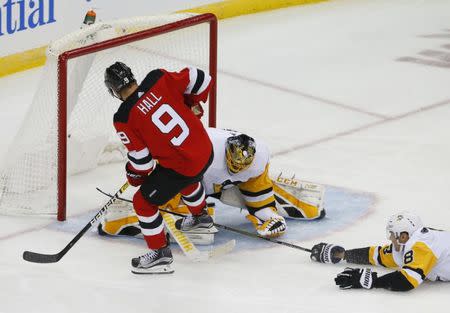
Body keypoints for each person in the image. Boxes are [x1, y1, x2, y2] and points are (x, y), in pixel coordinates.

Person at [98, 127, 325, 241]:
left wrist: (272, 218)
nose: (237, 169)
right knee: (192, 227)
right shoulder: (204, 149)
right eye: (233, 164)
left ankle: (286, 197)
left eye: (242, 167)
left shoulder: (258, 160)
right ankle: (125, 216)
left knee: (280, 206)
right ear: (226, 153)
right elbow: (172, 170)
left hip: (218, 185)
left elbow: (257, 194)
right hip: (187, 179)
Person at [104, 61, 214, 274]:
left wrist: (133, 173)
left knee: (142, 202)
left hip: (184, 165)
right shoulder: (158, 78)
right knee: (184, 177)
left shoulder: (123, 117)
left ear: (113, 91)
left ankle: (159, 254)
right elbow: (202, 78)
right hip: (205, 150)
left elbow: (143, 163)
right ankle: (201, 218)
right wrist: (190, 102)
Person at [310, 212, 450, 291]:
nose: (390, 238)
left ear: (403, 235)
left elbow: (406, 281)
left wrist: (369, 280)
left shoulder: (422, 246)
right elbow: (378, 255)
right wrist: (341, 254)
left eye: (393, 234)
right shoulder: (410, 242)